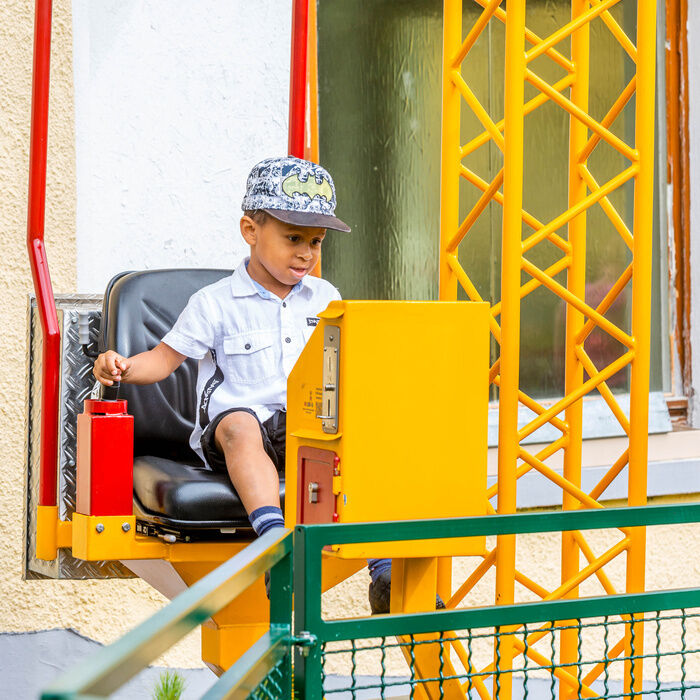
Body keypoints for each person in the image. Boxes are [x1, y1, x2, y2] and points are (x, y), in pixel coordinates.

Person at [93, 155, 395, 613]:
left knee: (362, 433)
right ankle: (276, 546)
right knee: (239, 424)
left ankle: (385, 570)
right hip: (236, 434)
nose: (306, 253)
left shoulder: (326, 297)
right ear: (250, 231)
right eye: (293, 237)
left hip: (304, 429)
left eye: (315, 241)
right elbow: (163, 359)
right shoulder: (215, 303)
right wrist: (121, 366)